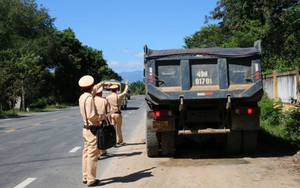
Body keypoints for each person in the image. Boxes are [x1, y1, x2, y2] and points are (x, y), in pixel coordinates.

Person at [78, 75, 106, 187]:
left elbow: (94, 89)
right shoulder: (89, 99)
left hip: (85, 129)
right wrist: (101, 117)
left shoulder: (83, 97)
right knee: (92, 155)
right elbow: (92, 116)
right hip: (92, 129)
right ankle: (91, 179)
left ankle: (85, 176)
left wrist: (101, 84)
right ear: (91, 87)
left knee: (85, 153)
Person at [106, 80, 129, 146]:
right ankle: (119, 141)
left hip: (111, 114)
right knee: (118, 128)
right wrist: (126, 85)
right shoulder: (119, 96)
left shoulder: (107, 97)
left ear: (111, 90)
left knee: (113, 128)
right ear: (116, 89)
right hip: (118, 114)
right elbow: (125, 92)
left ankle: (113, 141)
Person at [94, 86, 111, 158]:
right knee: (102, 136)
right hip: (103, 121)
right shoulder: (104, 101)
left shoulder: (92, 100)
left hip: (94, 121)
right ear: (101, 92)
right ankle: (103, 151)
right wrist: (110, 122)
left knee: (95, 138)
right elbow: (108, 113)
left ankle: (97, 154)